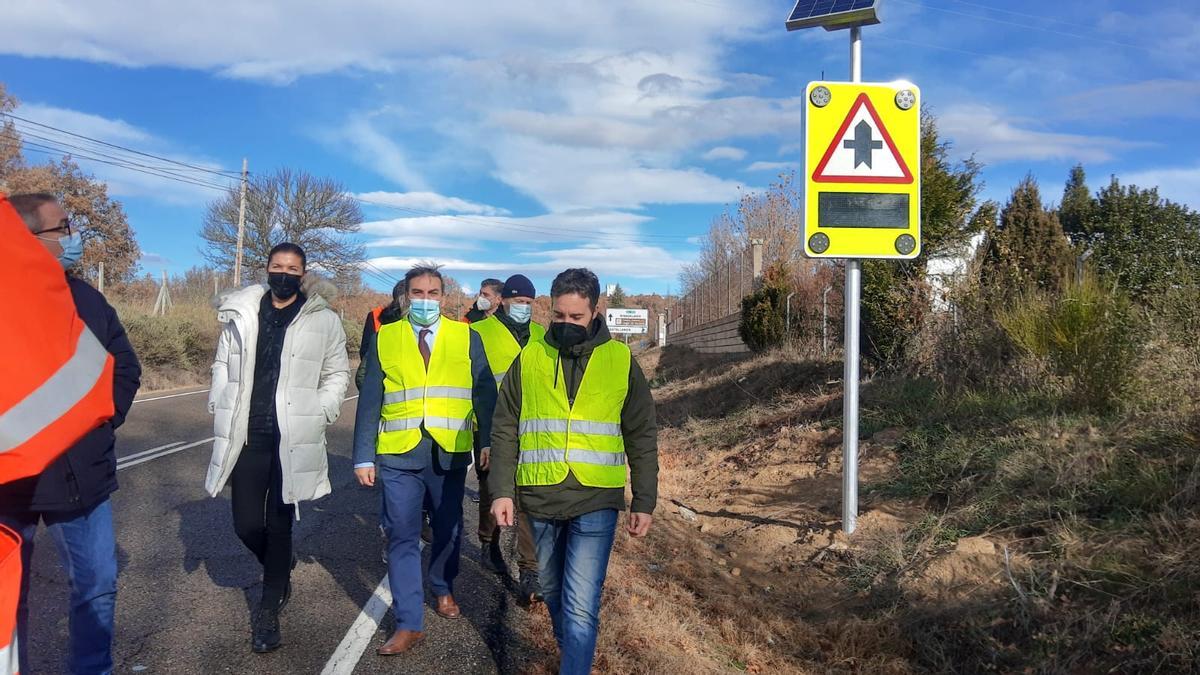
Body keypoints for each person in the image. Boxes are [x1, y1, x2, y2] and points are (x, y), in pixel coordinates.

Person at [489, 268, 658, 675]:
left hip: (595, 499)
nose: (566, 325)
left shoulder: (620, 360)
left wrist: (645, 499)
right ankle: (573, 660)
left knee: (581, 605)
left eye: (576, 318)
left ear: (595, 311)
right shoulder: (529, 356)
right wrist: (501, 490)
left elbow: (640, 431)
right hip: (540, 496)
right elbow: (505, 424)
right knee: (552, 593)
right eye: (559, 316)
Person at [0, 193, 140, 675]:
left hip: (81, 476)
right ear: (25, 238)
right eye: (62, 229)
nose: (72, 238)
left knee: (96, 585)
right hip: (9, 480)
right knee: (6, 595)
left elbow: (125, 368)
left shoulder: (86, 299)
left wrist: (98, 424)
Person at [205, 242, 350, 654]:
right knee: (245, 524)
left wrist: (321, 411)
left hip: (292, 436)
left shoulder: (323, 320)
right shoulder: (242, 312)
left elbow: (337, 373)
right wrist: (219, 394)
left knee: (279, 523)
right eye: (277, 266)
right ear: (266, 269)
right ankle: (278, 563)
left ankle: (268, 612)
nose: (284, 273)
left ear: (303, 274)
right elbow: (222, 361)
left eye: (292, 268)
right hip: (248, 434)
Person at [353, 264, 496, 656]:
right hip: (399, 453)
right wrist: (364, 455)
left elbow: (485, 393)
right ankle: (408, 623)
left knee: (449, 530)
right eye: (418, 293)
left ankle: (443, 585)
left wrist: (486, 441)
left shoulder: (466, 336)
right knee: (401, 534)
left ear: (444, 298)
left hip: (449, 452)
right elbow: (370, 400)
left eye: (433, 293)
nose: (425, 300)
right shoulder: (387, 337)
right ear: (405, 296)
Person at [469, 274, 544, 602]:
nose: (523, 308)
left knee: (528, 493)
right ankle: (489, 542)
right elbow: (474, 386)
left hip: (533, 426)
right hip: (491, 424)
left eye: (528, 303)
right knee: (492, 488)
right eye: (518, 302)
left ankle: (530, 570)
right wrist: (484, 437)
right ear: (504, 301)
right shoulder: (479, 332)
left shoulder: (544, 335)